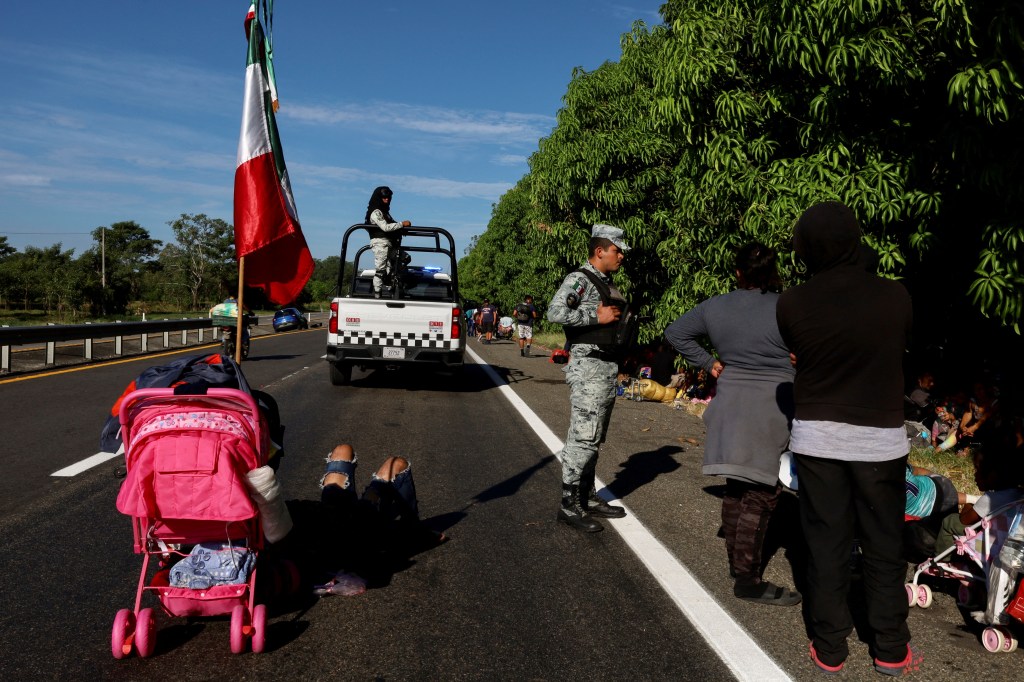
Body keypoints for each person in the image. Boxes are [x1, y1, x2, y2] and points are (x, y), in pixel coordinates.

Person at [776, 201, 917, 676]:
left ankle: (830, 646)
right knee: (883, 543)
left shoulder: (792, 301)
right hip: (881, 441)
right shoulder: (896, 296)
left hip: (819, 441)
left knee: (826, 543)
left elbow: (805, 354)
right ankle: (891, 647)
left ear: (806, 246)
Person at [665, 242, 800, 606]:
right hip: (771, 407)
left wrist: (709, 362)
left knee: (737, 486)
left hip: (729, 404)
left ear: (738, 272)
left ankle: (737, 565)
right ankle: (747, 580)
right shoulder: (787, 308)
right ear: (774, 272)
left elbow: (675, 332)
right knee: (761, 491)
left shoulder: (717, 306)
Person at [256, 443, 446, 600]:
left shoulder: (268, 516)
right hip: (353, 530)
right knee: (397, 464)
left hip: (329, 517)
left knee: (343, 450)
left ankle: (399, 527)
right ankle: (413, 531)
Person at [546, 224, 634, 532]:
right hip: (589, 367)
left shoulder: (604, 282)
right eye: (617, 250)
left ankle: (586, 496)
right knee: (584, 435)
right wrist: (596, 317)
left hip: (606, 367)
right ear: (600, 251)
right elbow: (555, 313)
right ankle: (569, 504)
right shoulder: (580, 279)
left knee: (595, 436)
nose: (621, 255)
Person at [364, 186, 411, 299]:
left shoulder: (385, 213)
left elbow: (391, 224)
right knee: (380, 270)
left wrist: (401, 230)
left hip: (390, 243)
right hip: (380, 243)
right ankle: (378, 294)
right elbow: (385, 227)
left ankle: (392, 283)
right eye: (384, 197)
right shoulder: (376, 212)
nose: (387, 199)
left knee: (405, 258)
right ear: (379, 198)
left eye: (388, 197)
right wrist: (401, 224)